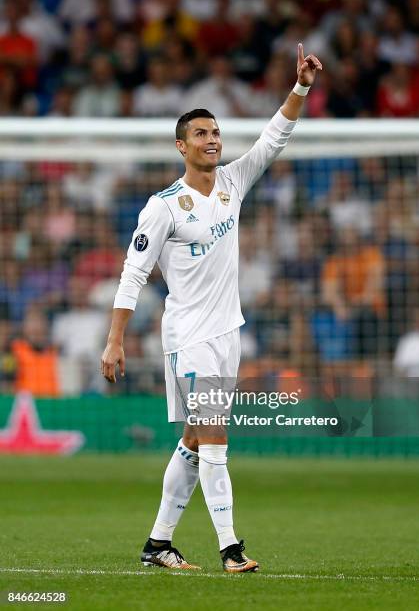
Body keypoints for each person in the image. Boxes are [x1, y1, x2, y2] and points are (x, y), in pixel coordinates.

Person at [101, 43, 322, 572]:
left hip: (228, 332)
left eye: (216, 132)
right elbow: (134, 272)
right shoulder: (162, 207)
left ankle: (158, 544)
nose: (212, 139)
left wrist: (302, 87)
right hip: (189, 335)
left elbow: (274, 137)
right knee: (216, 436)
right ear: (182, 146)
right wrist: (115, 339)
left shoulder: (232, 184)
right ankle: (230, 549)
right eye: (201, 134)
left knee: (196, 440)